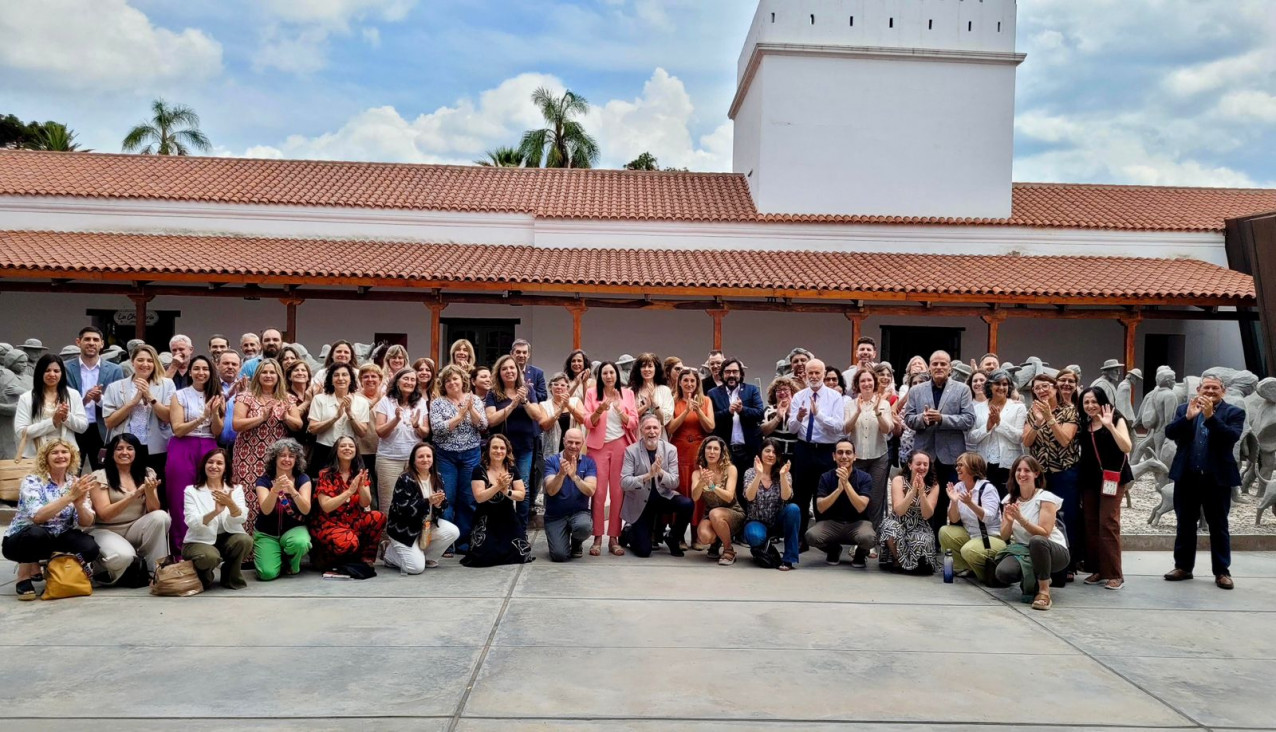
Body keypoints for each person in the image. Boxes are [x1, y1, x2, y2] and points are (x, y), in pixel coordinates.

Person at [1163, 374, 1245, 590]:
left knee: (1218, 526)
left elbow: (1230, 437)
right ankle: (1183, 567)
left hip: (1216, 479)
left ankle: (1222, 571)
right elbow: (1169, 432)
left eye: (1215, 388)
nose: (1210, 392)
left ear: (1223, 391)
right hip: (1188, 477)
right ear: (1198, 389)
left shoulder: (1234, 412)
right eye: (1206, 388)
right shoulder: (1184, 409)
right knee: (1185, 524)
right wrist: (1188, 418)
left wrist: (1210, 417)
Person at [1, 439, 98, 599]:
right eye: (55, 452)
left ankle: (57, 568)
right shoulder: (32, 481)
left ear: (71, 456)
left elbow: (86, 522)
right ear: (45, 458)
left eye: (64, 452)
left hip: (58, 536)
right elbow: (38, 517)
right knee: (35, 534)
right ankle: (24, 575)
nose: (60, 456)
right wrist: (69, 497)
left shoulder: (74, 482)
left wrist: (80, 505)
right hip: (22, 540)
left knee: (90, 548)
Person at [902, 350, 975, 534]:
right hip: (925, 455)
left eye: (943, 364)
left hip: (951, 456)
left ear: (950, 368)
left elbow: (968, 419)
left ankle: (951, 541)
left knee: (952, 499)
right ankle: (928, 542)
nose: (939, 367)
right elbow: (909, 418)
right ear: (929, 367)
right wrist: (923, 419)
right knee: (926, 499)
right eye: (935, 364)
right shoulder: (917, 390)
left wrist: (942, 419)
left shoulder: (962, 389)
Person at [88, 433, 170, 584]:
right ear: (112, 453)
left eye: (129, 448)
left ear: (136, 452)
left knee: (161, 516)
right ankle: (105, 567)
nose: (124, 452)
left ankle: (156, 571)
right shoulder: (99, 476)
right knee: (124, 556)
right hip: (106, 530)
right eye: (119, 449)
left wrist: (150, 493)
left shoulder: (147, 473)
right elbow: (105, 514)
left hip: (134, 527)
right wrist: (133, 495)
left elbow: (154, 510)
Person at [1022, 373, 1082, 578]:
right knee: (1042, 518)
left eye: (1046, 386)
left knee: (1068, 517)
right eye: (1037, 388)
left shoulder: (1069, 411)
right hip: (1041, 475)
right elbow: (1027, 442)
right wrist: (1038, 422)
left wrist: (1049, 418)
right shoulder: (1032, 411)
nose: (1042, 390)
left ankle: (1069, 564)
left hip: (1064, 472)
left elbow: (1065, 439)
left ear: (1055, 388)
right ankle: (1045, 562)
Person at [232, 358, 299, 538]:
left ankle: (272, 546)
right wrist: (260, 418)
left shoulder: (287, 398)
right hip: (248, 456)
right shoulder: (246, 396)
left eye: (272, 372)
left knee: (277, 497)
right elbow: (236, 424)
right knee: (249, 499)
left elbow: (298, 424)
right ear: (258, 375)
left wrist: (286, 418)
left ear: (279, 376)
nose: (268, 376)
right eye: (264, 372)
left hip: (277, 459)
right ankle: (247, 551)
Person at [994, 455, 1070, 610]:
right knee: (1003, 572)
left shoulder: (1045, 498)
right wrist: (1009, 521)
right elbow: (1004, 536)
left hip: (1053, 549)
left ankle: (1044, 591)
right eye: (1018, 470)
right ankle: (1035, 578)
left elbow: (1044, 533)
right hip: (1025, 549)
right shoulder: (1009, 500)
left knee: (1036, 541)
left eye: (1027, 470)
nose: (1022, 474)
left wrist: (1021, 519)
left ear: (1036, 474)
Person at [1077, 387, 1133, 590]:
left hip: (1113, 479)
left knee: (1108, 523)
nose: (1090, 406)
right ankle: (1098, 568)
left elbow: (1126, 446)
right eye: (1086, 402)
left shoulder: (1116, 418)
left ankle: (1115, 574)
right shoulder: (1084, 423)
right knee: (1091, 524)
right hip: (1090, 480)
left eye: (1094, 401)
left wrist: (1109, 426)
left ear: (1103, 401)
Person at [166, 355, 224, 546]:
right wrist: (202, 417)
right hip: (183, 447)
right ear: (190, 372)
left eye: (205, 369)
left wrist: (214, 413)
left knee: (207, 496)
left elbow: (217, 432)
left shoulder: (217, 395)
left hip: (208, 446)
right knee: (179, 497)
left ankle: (206, 546)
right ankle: (179, 549)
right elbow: (178, 429)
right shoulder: (179, 395)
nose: (201, 373)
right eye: (196, 369)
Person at [786, 358, 844, 545]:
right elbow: (792, 428)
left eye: (817, 372)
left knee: (825, 494)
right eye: (810, 372)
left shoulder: (834, 397)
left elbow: (838, 427)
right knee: (801, 495)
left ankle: (824, 539)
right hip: (804, 448)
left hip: (826, 450)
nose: (813, 376)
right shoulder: (799, 396)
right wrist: (799, 417)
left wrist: (818, 415)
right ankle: (800, 539)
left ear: (824, 374)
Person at [430, 365, 487, 554]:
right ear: (443, 385)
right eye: (448, 381)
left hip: (471, 454)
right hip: (446, 455)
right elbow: (437, 429)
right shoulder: (438, 403)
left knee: (468, 498)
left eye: (455, 379)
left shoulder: (474, 399)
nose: (452, 383)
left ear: (462, 381)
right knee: (447, 498)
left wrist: (471, 411)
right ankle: (446, 544)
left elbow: (483, 425)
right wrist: (460, 416)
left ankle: (463, 542)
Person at [583, 361, 638, 556]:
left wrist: (620, 411)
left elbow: (633, 422)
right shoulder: (592, 394)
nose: (608, 376)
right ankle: (597, 536)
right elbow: (588, 421)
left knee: (617, 492)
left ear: (617, 375)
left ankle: (614, 537)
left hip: (621, 446)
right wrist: (600, 409)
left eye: (611, 372)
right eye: (605, 373)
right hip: (598, 447)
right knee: (598, 492)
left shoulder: (627, 394)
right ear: (600, 376)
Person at [486, 354, 545, 531]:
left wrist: (524, 401)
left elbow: (538, 415)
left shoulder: (527, 390)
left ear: (517, 371)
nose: (509, 371)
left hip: (525, 446)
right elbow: (491, 420)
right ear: (499, 372)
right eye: (504, 369)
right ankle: (501, 525)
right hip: (500, 449)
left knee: (522, 485)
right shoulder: (493, 393)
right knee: (500, 483)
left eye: (512, 368)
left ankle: (520, 527)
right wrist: (512, 405)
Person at [311, 436, 385, 573]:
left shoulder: (360, 473)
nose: (347, 448)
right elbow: (326, 506)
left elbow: (365, 503)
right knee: (348, 542)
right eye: (343, 446)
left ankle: (365, 559)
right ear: (336, 451)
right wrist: (350, 491)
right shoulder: (325, 474)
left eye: (351, 446)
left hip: (352, 520)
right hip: (329, 523)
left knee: (378, 517)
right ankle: (324, 558)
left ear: (356, 451)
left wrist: (362, 486)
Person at [619, 413, 689, 558]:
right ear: (641, 430)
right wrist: (647, 476)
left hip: (662, 497)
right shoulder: (631, 451)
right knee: (644, 552)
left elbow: (675, 482)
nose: (652, 431)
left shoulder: (670, 450)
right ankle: (628, 532)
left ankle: (673, 537)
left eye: (655, 428)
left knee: (687, 504)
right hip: (640, 502)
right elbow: (624, 482)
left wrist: (661, 472)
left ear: (660, 429)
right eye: (648, 428)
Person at [182, 448, 252, 590]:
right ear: (204, 465)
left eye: (219, 463)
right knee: (209, 557)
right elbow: (192, 522)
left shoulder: (235, 489)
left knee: (245, 540)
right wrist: (215, 512)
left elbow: (241, 518)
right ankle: (204, 576)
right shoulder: (192, 491)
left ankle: (231, 576)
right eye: (210, 462)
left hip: (226, 538)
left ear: (225, 468)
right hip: (198, 541)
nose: (214, 466)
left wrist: (230, 504)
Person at [102, 344, 175, 479]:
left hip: (156, 448)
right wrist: (132, 403)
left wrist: (150, 397)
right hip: (125, 447)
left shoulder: (167, 384)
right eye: (140, 360)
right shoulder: (115, 387)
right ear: (132, 361)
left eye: (150, 360)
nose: (145, 364)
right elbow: (109, 422)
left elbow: (168, 417)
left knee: (155, 489)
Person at [384, 442, 460, 573]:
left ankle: (427, 558)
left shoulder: (437, 477)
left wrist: (438, 504)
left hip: (426, 526)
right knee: (414, 568)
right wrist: (427, 502)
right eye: (421, 456)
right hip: (405, 529)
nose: (425, 459)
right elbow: (401, 507)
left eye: (428, 456)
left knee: (453, 531)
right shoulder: (405, 478)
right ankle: (389, 554)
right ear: (413, 460)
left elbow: (443, 504)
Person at [462, 434, 533, 567]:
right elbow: (479, 497)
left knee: (521, 554)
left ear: (507, 451)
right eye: (495, 447)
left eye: (502, 448)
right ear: (488, 450)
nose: (498, 451)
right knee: (483, 558)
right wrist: (498, 487)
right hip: (486, 519)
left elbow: (521, 495)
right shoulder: (479, 469)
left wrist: (507, 491)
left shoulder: (511, 468)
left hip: (507, 517)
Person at [806, 439, 877, 568]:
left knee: (869, 538)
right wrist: (839, 489)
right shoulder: (825, 477)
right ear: (834, 456)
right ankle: (833, 550)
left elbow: (861, 507)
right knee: (811, 536)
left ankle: (860, 554)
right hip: (832, 523)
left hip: (858, 523)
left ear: (854, 457)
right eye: (840, 452)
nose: (844, 456)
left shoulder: (865, 478)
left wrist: (846, 484)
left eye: (848, 453)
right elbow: (820, 507)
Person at [938, 452, 1005, 583]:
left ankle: (984, 574)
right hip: (971, 535)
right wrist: (954, 501)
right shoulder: (958, 486)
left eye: (961, 465)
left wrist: (970, 503)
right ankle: (965, 567)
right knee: (945, 531)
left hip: (990, 536)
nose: (957, 468)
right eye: (956, 465)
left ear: (973, 467)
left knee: (968, 550)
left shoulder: (987, 488)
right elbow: (954, 519)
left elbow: (989, 518)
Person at [65, 326, 125, 472]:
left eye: (95, 340)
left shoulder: (114, 370)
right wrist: (84, 400)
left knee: (103, 474)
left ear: (102, 344)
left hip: (101, 430)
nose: (91, 343)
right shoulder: (65, 368)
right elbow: (61, 399)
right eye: (87, 339)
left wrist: (99, 399)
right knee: (70, 474)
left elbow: (120, 402)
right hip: (74, 428)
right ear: (78, 342)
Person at [253, 438, 313, 580]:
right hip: (267, 533)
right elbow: (266, 510)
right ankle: (277, 557)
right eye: (282, 455)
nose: (287, 459)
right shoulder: (264, 480)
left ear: (296, 460)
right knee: (267, 574)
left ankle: (292, 563)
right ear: (275, 458)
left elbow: (305, 510)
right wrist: (275, 491)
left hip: (293, 530)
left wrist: (292, 490)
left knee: (300, 543)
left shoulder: (302, 479)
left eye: (291, 456)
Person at [668, 368, 715, 548]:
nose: (689, 384)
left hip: (699, 451)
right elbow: (670, 428)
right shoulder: (673, 401)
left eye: (692, 381)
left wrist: (698, 410)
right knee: (681, 491)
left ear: (697, 384)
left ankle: (696, 536)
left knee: (698, 492)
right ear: (680, 382)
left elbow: (710, 427)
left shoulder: (706, 400)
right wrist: (686, 411)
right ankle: (678, 535)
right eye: (685, 380)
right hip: (679, 451)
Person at [844, 368, 893, 529]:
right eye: (862, 381)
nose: (866, 383)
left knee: (876, 498)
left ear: (875, 383)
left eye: (869, 380)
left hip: (878, 457)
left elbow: (887, 429)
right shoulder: (850, 404)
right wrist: (857, 412)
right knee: (857, 496)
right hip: (856, 459)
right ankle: (858, 536)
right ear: (857, 384)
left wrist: (878, 412)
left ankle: (872, 538)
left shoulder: (884, 404)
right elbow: (846, 429)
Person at [707, 358, 764, 496]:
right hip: (726, 450)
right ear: (722, 374)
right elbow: (711, 419)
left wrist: (742, 410)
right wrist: (728, 412)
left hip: (748, 450)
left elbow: (760, 413)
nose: (731, 375)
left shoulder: (751, 390)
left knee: (748, 487)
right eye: (727, 372)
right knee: (727, 487)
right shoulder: (713, 393)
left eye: (735, 372)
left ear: (741, 374)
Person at [374, 368, 429, 513]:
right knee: (388, 502)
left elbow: (426, 432)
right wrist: (396, 419)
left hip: (414, 460)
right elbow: (380, 432)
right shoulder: (386, 401)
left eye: (412, 379)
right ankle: (386, 535)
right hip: (389, 459)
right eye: (405, 378)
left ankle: (411, 534)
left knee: (415, 499)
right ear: (397, 381)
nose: (409, 382)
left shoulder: (421, 402)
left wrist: (417, 425)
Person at [742, 438, 801, 570]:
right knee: (755, 537)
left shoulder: (784, 473)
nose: (771, 455)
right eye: (767, 451)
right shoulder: (750, 473)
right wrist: (759, 475)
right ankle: (765, 548)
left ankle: (788, 559)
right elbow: (749, 497)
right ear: (760, 453)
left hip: (777, 521)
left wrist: (783, 476)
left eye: (775, 452)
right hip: (756, 520)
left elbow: (786, 497)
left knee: (794, 509)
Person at [15, 353, 88, 458]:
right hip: (36, 456)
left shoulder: (73, 395)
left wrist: (66, 416)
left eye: (56, 371)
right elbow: (21, 432)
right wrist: (52, 422)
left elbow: (82, 427)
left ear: (62, 373)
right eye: (47, 370)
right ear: (40, 372)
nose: (52, 374)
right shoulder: (26, 398)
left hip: (66, 456)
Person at [967, 369, 1025, 495]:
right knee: (985, 503)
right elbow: (971, 437)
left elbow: (1019, 438)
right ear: (990, 386)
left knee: (1007, 503)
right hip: (984, 465)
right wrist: (987, 427)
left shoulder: (1018, 407)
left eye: (1005, 384)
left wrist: (999, 423)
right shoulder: (977, 408)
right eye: (997, 384)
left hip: (1009, 465)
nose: (1001, 387)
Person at [543, 428, 596, 562]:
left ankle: (577, 542)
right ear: (563, 442)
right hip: (555, 516)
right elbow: (551, 490)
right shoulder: (551, 461)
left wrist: (574, 476)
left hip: (579, 513)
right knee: (559, 556)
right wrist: (561, 474)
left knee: (584, 527)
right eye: (570, 442)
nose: (573, 446)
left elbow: (590, 490)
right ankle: (562, 536)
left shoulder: (589, 462)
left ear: (583, 443)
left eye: (577, 443)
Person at [308, 363, 371, 472]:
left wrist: (350, 414)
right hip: (324, 450)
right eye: (336, 375)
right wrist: (335, 418)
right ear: (331, 380)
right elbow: (313, 429)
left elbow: (362, 432)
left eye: (344, 375)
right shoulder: (319, 399)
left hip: (349, 452)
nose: (340, 378)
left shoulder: (361, 402)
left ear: (351, 379)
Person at [691, 436, 744, 565]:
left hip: (733, 512)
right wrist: (701, 482)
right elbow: (695, 497)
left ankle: (728, 550)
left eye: (716, 449)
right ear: (704, 451)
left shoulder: (730, 469)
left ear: (721, 452)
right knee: (704, 536)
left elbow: (729, 496)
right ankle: (715, 543)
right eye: (708, 448)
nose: (712, 452)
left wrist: (712, 486)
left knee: (715, 513)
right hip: (711, 514)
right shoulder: (698, 473)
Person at [538, 373, 587, 457]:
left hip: (574, 448)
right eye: (555, 384)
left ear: (567, 388)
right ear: (550, 387)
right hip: (553, 450)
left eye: (562, 385)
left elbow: (583, 420)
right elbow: (544, 426)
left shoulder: (576, 400)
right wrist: (560, 410)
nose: (559, 387)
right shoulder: (543, 405)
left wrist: (568, 405)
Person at [629, 353, 674, 433]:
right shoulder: (631, 392)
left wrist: (654, 403)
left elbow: (664, 420)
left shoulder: (664, 390)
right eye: (643, 366)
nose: (646, 369)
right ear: (639, 370)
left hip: (658, 435)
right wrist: (645, 407)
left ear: (656, 369)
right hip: (637, 435)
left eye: (650, 366)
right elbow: (629, 418)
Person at [355, 364, 383, 491]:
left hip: (382, 450)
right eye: (366, 377)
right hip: (362, 450)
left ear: (380, 380)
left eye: (374, 376)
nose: (370, 379)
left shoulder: (387, 398)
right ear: (360, 380)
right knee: (363, 486)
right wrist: (376, 400)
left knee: (380, 487)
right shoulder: (355, 398)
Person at [760, 376, 801, 461]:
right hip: (774, 456)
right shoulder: (769, 409)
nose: (782, 393)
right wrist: (777, 417)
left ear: (792, 392)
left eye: (786, 390)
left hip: (794, 456)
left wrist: (791, 412)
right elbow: (763, 432)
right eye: (778, 390)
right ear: (774, 393)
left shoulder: (799, 410)